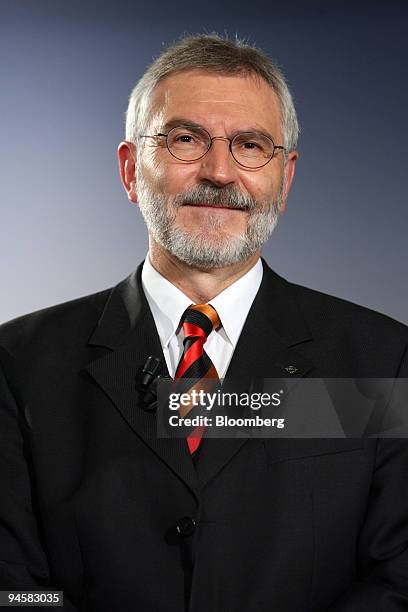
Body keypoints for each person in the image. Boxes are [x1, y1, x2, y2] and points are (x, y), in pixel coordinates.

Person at [0, 33, 407, 612]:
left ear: (284, 179)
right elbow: (14, 591)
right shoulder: (18, 365)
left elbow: (400, 577)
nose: (220, 172)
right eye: (185, 139)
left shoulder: (383, 359)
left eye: (249, 145)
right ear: (130, 171)